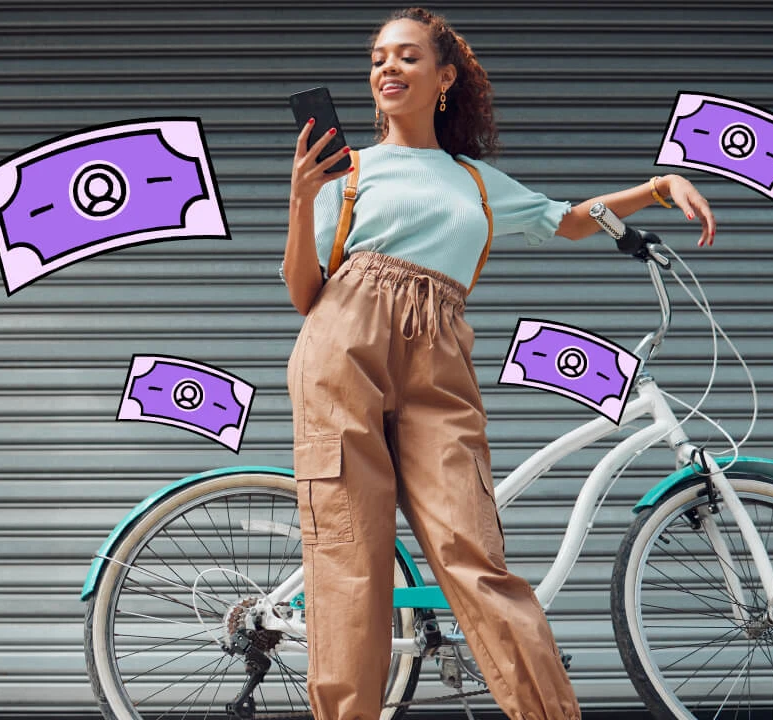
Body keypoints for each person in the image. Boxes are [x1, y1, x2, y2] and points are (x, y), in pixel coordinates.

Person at [280, 7, 716, 720]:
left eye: (408, 57)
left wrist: (658, 187)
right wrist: (303, 199)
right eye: (378, 58)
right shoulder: (345, 171)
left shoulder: (476, 182)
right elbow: (305, 293)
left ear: (444, 77)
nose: (387, 68)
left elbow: (569, 218)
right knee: (350, 568)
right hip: (342, 347)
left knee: (475, 558)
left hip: (438, 356)